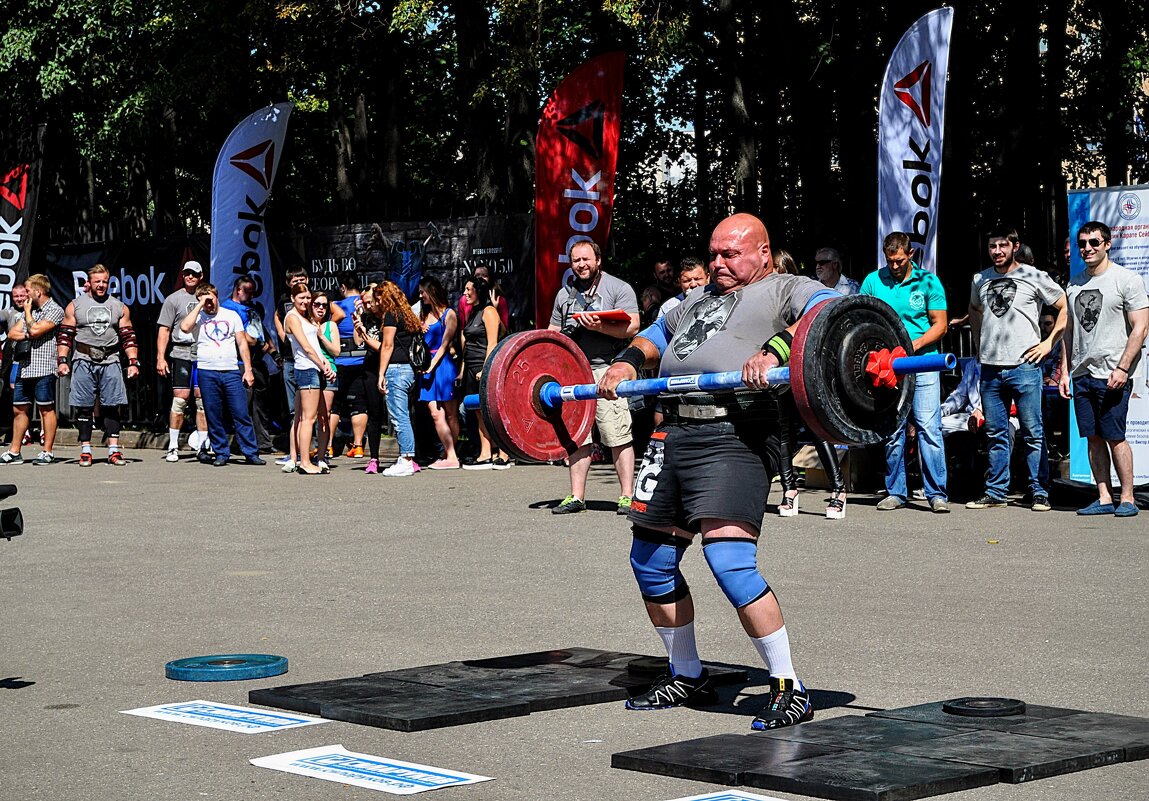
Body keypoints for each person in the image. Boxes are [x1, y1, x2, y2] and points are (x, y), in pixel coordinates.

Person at [598, 213, 838, 729]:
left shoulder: (785, 289)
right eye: (714, 253)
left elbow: (830, 311)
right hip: (672, 432)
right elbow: (657, 333)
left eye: (731, 254)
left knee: (729, 562)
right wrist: (626, 362)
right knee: (650, 561)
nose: (719, 262)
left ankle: (788, 686)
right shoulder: (694, 299)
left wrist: (775, 348)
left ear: (763, 254)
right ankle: (687, 673)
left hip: (736, 431)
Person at [967, 226, 1067, 511]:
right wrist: (978, 345)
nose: (997, 251)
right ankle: (996, 491)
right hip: (990, 367)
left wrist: (1048, 343)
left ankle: (1039, 492)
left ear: (1014, 246)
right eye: (992, 247)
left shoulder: (1034, 276)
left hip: (1025, 365)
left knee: (1033, 431)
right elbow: (975, 310)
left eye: (1002, 246)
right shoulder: (980, 279)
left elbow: (1063, 305)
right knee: (996, 432)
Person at [1059, 221, 1149, 517]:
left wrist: (1123, 368)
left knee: (1115, 435)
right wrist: (1064, 371)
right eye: (1083, 243)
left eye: (1094, 242)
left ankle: (1128, 498)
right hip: (1083, 373)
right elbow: (1068, 331)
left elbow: (1141, 328)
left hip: (1113, 373)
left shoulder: (1127, 279)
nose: (1087, 248)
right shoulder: (1073, 284)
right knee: (1093, 437)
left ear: (1107, 244)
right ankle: (1104, 496)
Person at [861, 232, 950, 513]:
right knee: (893, 429)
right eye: (890, 261)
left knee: (929, 428)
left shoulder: (928, 281)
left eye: (900, 261)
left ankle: (937, 494)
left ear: (910, 254)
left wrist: (914, 345)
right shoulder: (873, 281)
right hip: (888, 366)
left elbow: (941, 325)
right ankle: (896, 491)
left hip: (923, 363)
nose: (895, 266)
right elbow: (864, 317)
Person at [548, 240, 639, 514]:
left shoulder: (618, 288)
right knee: (576, 437)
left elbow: (633, 327)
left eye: (586, 259)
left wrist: (601, 326)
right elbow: (552, 331)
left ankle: (627, 497)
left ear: (598, 260)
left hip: (608, 369)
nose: (581, 265)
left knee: (617, 434)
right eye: (576, 260)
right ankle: (577, 496)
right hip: (574, 372)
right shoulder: (564, 295)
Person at [768, 249, 847, 519]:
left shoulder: (801, 292)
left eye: (776, 270)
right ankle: (789, 490)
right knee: (783, 431)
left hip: (805, 369)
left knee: (817, 429)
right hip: (778, 372)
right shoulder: (764, 297)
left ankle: (839, 489)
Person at [56, 264, 140, 466]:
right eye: (98, 282)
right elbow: (66, 336)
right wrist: (62, 360)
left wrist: (133, 362)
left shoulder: (118, 307)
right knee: (84, 406)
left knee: (112, 405)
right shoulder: (75, 305)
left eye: (105, 282)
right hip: (83, 358)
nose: (101, 285)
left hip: (110, 359)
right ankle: (85, 450)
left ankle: (113, 451)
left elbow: (128, 336)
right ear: (89, 283)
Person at [178, 283, 265, 466]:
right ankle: (221, 453)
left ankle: (250, 452)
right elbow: (185, 328)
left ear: (217, 297)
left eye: (211, 299)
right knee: (213, 413)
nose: (210, 304)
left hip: (231, 370)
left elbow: (242, 343)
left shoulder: (231, 315)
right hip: (207, 371)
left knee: (240, 412)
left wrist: (248, 370)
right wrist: (201, 305)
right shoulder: (198, 317)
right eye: (205, 300)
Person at [1, 275, 64, 465]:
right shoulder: (31, 310)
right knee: (19, 408)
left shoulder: (54, 309)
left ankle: (47, 451)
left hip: (44, 366)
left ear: (38, 291)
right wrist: (31, 327)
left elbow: (36, 331)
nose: (25, 295)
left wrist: (29, 321)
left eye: (27, 291)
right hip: (24, 367)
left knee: (46, 408)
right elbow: (12, 333)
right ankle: (14, 451)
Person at [156, 260, 210, 462]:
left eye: (194, 274)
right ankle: (173, 446)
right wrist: (160, 358)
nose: (190, 277)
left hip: (203, 353)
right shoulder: (173, 299)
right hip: (180, 352)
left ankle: (203, 447)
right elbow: (164, 329)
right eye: (187, 273)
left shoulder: (208, 297)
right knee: (180, 400)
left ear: (200, 276)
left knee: (202, 401)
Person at [284, 282, 337, 475]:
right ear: (292, 298)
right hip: (305, 369)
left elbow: (315, 346)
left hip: (315, 368)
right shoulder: (292, 318)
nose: (305, 301)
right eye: (301, 298)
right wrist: (323, 366)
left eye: (308, 298)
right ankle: (304, 461)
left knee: (309, 417)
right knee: (308, 418)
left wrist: (327, 365)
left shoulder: (305, 318)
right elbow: (306, 347)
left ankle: (305, 459)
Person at [220, 274, 276, 453]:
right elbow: (242, 336)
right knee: (243, 403)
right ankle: (242, 444)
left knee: (261, 405)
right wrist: (259, 343)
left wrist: (273, 352)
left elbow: (261, 330)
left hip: (258, 361)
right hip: (241, 362)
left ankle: (263, 442)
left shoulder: (251, 308)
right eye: (248, 291)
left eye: (253, 292)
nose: (251, 295)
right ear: (238, 290)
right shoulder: (229, 309)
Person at [459, 277, 510, 470]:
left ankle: (504, 453)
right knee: (477, 410)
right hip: (471, 366)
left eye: (468, 289)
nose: (465, 293)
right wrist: (463, 370)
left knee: (492, 410)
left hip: (483, 365)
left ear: (478, 291)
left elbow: (492, 342)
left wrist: (486, 369)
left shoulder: (489, 312)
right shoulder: (472, 312)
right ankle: (485, 452)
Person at [375, 280, 423, 477]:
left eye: (379, 298)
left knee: (399, 416)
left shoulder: (391, 315)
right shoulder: (408, 314)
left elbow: (387, 346)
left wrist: (380, 373)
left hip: (396, 369)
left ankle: (407, 458)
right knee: (404, 415)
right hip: (409, 370)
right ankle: (407, 457)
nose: (377, 303)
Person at [417, 277, 461, 470]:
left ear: (431, 291)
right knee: (435, 413)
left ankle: (451, 454)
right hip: (427, 365)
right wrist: (418, 328)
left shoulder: (449, 314)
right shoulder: (422, 314)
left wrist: (431, 366)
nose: (420, 296)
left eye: (422, 292)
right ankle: (449, 453)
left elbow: (445, 344)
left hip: (442, 366)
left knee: (450, 413)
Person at [327, 274, 369, 458]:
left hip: (340, 361)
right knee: (359, 403)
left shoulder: (336, 306)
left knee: (334, 405)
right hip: (362, 360)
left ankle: (327, 445)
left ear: (343, 287)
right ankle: (358, 445)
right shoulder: (366, 304)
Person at [349, 288, 388, 474]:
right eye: (364, 303)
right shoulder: (366, 317)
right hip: (370, 368)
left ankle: (410, 454)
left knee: (398, 414)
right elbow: (358, 342)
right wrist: (357, 322)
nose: (368, 306)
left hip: (388, 366)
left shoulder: (387, 318)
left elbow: (383, 347)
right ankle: (374, 457)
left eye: (369, 302)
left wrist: (365, 334)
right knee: (374, 414)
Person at [274, 267, 309, 467]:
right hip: (290, 359)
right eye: (294, 280)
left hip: (310, 361)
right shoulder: (284, 300)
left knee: (312, 411)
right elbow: (276, 316)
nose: (298, 282)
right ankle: (294, 453)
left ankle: (314, 450)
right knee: (294, 410)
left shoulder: (313, 302)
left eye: (301, 279)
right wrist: (282, 333)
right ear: (288, 283)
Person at [313, 292, 342, 459]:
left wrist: (321, 336)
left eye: (324, 305)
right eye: (317, 304)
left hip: (330, 372)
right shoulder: (306, 324)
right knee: (308, 414)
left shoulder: (331, 326)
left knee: (325, 413)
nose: (321, 308)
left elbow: (336, 351)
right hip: (312, 371)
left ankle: (324, 450)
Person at [457, 265, 509, 330]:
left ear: (490, 279)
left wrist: (494, 310)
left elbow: (504, 330)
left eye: (485, 275)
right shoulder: (465, 300)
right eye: (477, 275)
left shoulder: (499, 300)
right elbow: (462, 328)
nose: (480, 278)